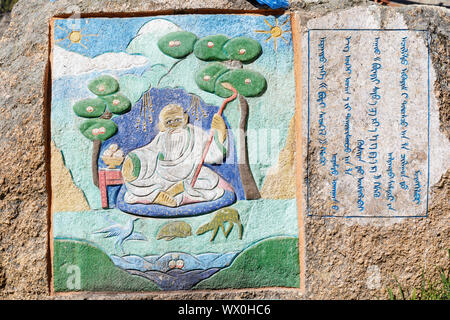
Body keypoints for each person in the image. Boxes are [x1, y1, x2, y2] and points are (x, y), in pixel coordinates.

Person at [121, 103, 229, 207]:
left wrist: (220, 135)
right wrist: (135, 159)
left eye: (177, 120)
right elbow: (150, 152)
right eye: (168, 122)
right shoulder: (162, 136)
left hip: (190, 172)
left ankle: (178, 188)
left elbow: (212, 154)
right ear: (162, 126)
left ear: (185, 118)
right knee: (134, 182)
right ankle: (158, 196)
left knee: (211, 179)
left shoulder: (195, 133)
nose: (173, 124)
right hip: (163, 175)